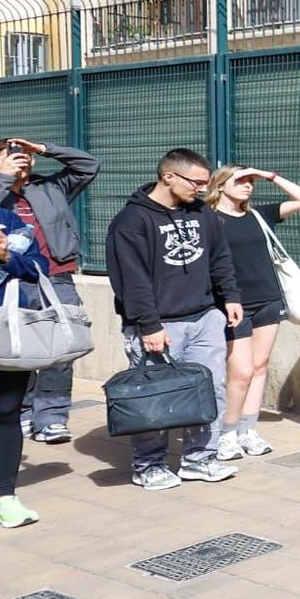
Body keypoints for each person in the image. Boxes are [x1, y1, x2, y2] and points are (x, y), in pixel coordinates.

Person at [104, 148, 243, 491]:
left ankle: (200, 459)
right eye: (196, 182)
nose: (201, 188)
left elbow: (219, 257)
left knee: (209, 390)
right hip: (158, 325)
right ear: (169, 177)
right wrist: (148, 324)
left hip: (204, 317)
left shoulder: (202, 214)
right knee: (156, 397)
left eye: (205, 182)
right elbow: (130, 279)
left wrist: (230, 297)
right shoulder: (131, 221)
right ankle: (148, 465)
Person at [0, 136, 99, 445]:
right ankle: (21, 411)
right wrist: (2, 178)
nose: (20, 159)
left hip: (55, 275)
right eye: (10, 155)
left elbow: (89, 166)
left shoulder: (50, 188)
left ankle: (52, 416)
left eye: (24, 155)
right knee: (15, 348)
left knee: (60, 347)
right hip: (6, 280)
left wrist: (43, 148)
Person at [205, 166, 300, 460]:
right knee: (240, 372)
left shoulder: (258, 215)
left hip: (268, 298)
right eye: (240, 180)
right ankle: (226, 434)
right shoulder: (209, 220)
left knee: (260, 366)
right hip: (232, 304)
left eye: (251, 182)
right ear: (220, 185)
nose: (248, 186)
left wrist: (269, 176)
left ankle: (247, 431)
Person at [0, 207, 50, 527]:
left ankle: (3, 497)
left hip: (5, 332)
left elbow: (38, 268)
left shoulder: (8, 221)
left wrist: (4, 255)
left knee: (4, 413)